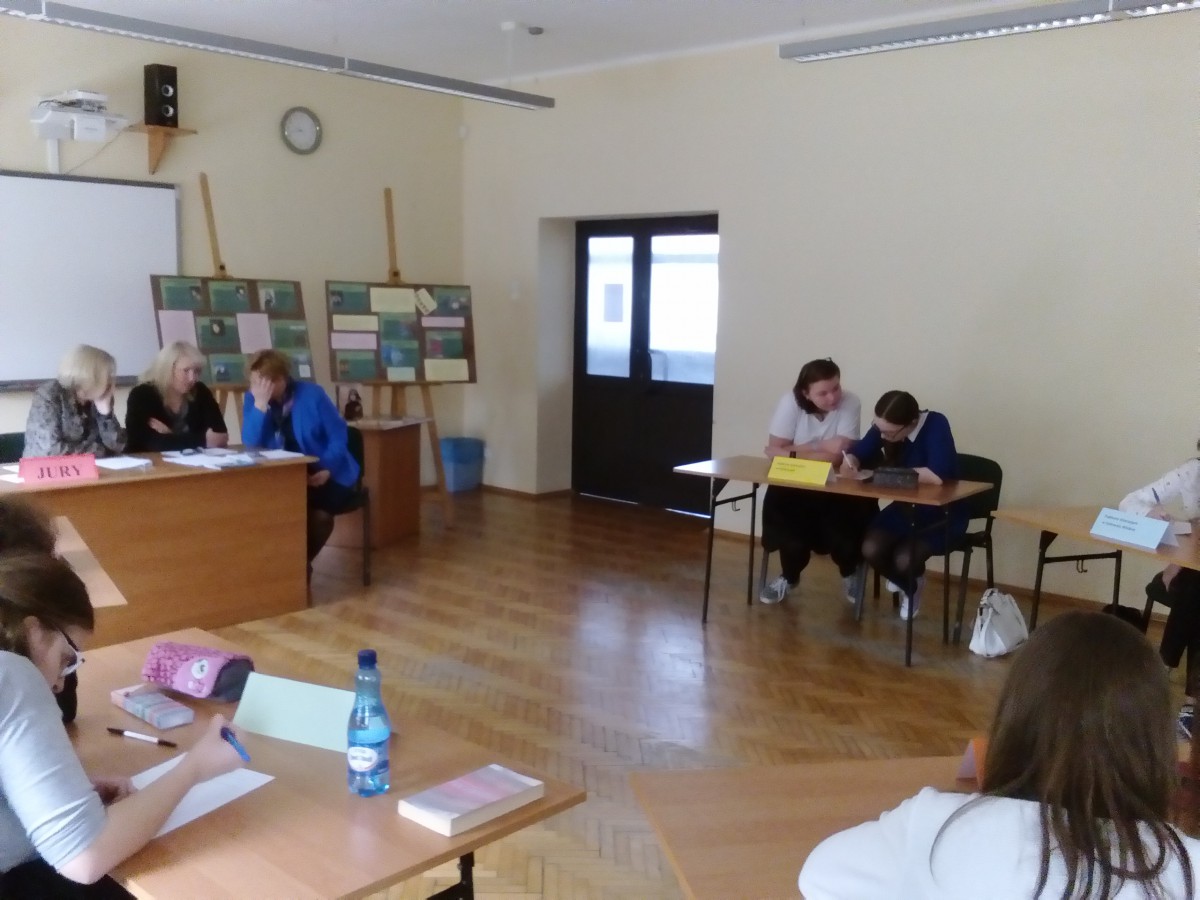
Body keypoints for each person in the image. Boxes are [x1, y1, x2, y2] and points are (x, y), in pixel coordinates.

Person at [798, 611, 1198, 899]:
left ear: (1015, 716)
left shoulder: (933, 826)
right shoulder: (1186, 865)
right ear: (1153, 741)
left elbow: (819, 875)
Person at [0, 553, 245, 898]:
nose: (58, 684)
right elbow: (84, 858)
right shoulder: (12, 673)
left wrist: (62, 795)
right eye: (67, 659)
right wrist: (194, 768)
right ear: (33, 630)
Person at [759, 358, 876, 604]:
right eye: (823, 393)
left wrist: (792, 451)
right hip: (795, 483)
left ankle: (849, 572)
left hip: (834, 485)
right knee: (790, 529)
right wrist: (820, 446)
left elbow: (837, 457)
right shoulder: (790, 403)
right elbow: (773, 451)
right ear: (806, 393)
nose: (833, 397)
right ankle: (789, 576)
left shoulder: (851, 401)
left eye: (836, 388)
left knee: (846, 527)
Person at [841, 390, 963, 620]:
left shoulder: (936, 423)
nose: (883, 436)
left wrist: (885, 474)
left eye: (889, 433)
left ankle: (911, 584)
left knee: (904, 559)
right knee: (871, 547)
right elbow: (860, 451)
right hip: (905, 509)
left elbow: (937, 474)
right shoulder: (886, 426)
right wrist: (852, 461)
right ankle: (910, 585)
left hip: (941, 512)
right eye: (879, 428)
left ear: (911, 423)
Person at [242, 350, 360, 568]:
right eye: (253, 382)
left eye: (262, 382)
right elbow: (250, 441)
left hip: (329, 473)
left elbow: (338, 437)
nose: (256, 388)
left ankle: (295, 567)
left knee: (305, 514)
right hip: (288, 477)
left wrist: (327, 468)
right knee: (268, 509)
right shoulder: (254, 398)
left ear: (280, 379)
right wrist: (260, 406)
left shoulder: (312, 395)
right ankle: (289, 567)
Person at [1119, 443, 1200, 739]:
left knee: (1194, 590)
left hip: (1190, 572)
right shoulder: (1192, 471)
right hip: (1192, 571)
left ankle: (1161, 672)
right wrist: (1149, 512)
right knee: (1195, 590)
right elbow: (1128, 502)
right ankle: (1191, 705)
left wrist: (1177, 564)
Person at [124, 342, 228, 453]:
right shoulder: (142, 394)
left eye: (197, 371)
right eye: (186, 370)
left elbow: (220, 436)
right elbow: (148, 442)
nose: (192, 378)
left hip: (192, 462)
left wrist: (171, 435)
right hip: (148, 461)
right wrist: (203, 440)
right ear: (167, 369)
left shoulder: (200, 391)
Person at [24, 345, 126, 458]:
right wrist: (98, 449)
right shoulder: (49, 394)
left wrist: (106, 414)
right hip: (45, 467)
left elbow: (117, 446)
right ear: (92, 376)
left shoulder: (100, 397)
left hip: (93, 465)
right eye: (108, 375)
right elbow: (51, 450)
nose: (111, 382)